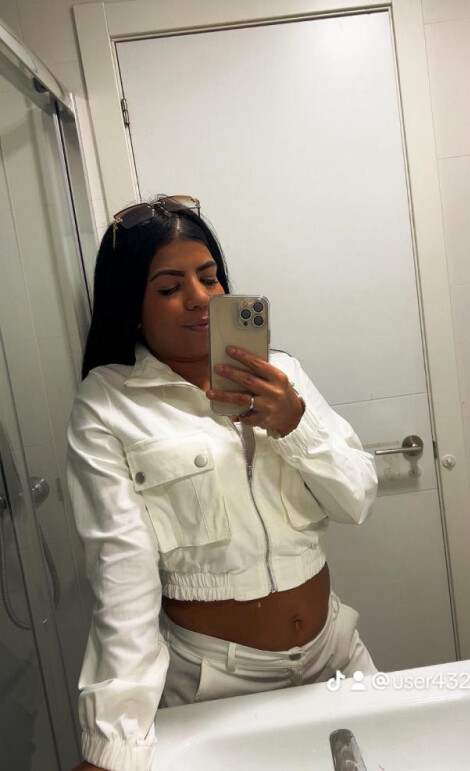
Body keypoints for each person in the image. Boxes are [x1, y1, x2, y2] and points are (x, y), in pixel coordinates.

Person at [66, 195, 378, 771]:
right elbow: (122, 577)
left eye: (209, 278)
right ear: (130, 304)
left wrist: (296, 423)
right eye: (170, 287)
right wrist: (114, 744)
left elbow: (356, 498)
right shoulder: (108, 404)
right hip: (215, 685)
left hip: (335, 656)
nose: (200, 297)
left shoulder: (281, 373)